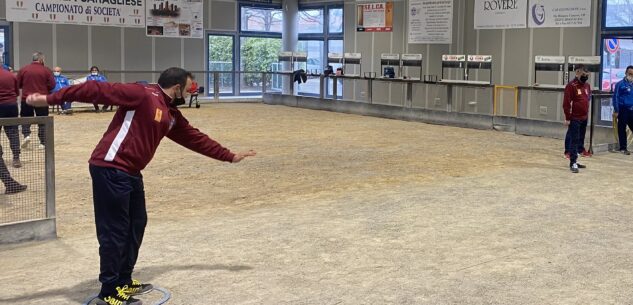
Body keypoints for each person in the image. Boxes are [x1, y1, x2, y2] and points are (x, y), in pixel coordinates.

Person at [26, 67, 256, 305]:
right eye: (188, 90)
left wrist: (229, 156)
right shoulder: (143, 94)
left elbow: (194, 137)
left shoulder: (170, 112)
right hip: (110, 168)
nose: (189, 94)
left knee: (136, 224)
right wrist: (51, 98)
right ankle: (108, 292)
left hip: (131, 172)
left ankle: (123, 280)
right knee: (115, 231)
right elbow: (96, 89)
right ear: (177, 88)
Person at [17, 51, 54, 150]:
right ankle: (42, 142)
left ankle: (26, 135)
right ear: (41, 59)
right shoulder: (46, 70)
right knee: (42, 120)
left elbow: (18, 84)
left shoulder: (23, 69)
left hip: (27, 98)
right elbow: (52, 85)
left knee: (25, 118)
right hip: (41, 99)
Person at [563, 65, 591, 173]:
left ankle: (576, 160)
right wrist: (567, 117)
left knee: (580, 140)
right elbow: (566, 104)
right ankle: (573, 162)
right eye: (583, 75)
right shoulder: (571, 86)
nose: (585, 77)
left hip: (584, 117)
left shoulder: (587, 86)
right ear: (577, 73)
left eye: (587, 75)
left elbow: (587, 99)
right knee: (574, 140)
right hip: (575, 118)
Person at [0, 58, 22, 168]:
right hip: (11, 105)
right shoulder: (11, 75)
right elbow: (17, 92)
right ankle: (16, 158)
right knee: (13, 132)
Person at [612, 65, 633, 155]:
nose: (631, 75)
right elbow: (615, 97)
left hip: (632, 110)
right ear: (625, 73)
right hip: (622, 110)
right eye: (630, 73)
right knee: (622, 129)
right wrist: (616, 110)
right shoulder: (620, 84)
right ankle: (623, 148)